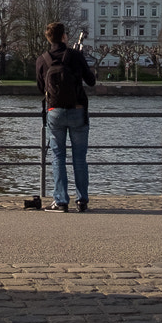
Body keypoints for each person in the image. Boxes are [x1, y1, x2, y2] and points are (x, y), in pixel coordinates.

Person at [34, 22, 96, 212]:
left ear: (48, 38)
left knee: (58, 156)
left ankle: (60, 200)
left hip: (55, 112)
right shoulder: (76, 55)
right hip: (77, 110)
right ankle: (82, 200)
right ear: (64, 37)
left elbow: (40, 88)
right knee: (79, 158)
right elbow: (91, 82)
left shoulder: (42, 60)